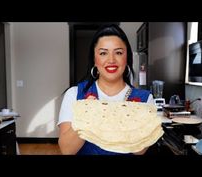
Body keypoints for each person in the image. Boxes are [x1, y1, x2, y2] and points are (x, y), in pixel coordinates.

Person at [58, 24, 154, 155]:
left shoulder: (145, 99)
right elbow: (66, 150)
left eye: (118, 52)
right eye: (103, 53)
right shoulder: (74, 94)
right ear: (94, 59)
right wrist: (87, 117)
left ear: (127, 58)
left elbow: (140, 151)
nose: (111, 60)